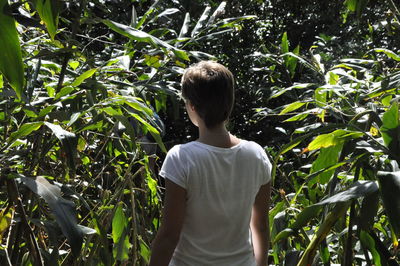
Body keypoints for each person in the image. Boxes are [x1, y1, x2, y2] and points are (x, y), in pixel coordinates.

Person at [149, 61, 272, 266]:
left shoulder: (181, 158)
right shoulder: (256, 155)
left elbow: (170, 235)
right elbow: (260, 227)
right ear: (229, 103)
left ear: (192, 106)